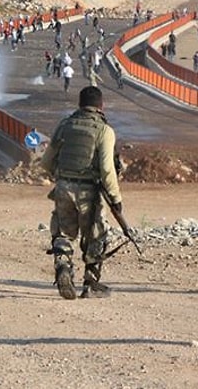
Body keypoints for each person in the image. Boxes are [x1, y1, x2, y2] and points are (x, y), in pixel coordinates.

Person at [41, 86, 123, 300]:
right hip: (88, 193)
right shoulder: (104, 130)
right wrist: (116, 199)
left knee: (63, 232)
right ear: (101, 106)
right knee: (96, 235)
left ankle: (63, 265)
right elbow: (107, 169)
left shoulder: (64, 125)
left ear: (79, 104)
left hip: (63, 187)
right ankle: (90, 283)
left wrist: (61, 177)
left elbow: (46, 161)